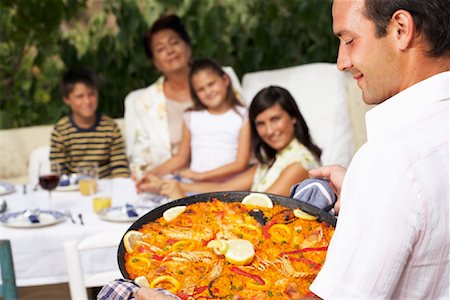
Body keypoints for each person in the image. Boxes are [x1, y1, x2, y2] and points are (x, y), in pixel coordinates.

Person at [308, 0, 449, 298]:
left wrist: (374, 182)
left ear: (401, 29)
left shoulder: (388, 162)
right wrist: (366, 197)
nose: (341, 62)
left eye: (349, 41)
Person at [137, 85, 322, 198]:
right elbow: (224, 188)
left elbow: (259, 205)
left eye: (275, 119)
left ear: (293, 118)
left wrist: (179, 194)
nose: (270, 131)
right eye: (261, 124)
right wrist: (164, 185)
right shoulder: (273, 159)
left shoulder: (300, 163)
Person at [124, 15, 242, 173]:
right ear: (155, 62)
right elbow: (140, 158)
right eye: (160, 49)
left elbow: (245, 123)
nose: (170, 51)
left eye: (174, 42)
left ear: (188, 47)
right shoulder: (144, 102)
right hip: (172, 180)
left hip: (228, 174)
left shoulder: (221, 79)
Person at [147, 58, 250, 183]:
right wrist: (152, 173)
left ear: (225, 80)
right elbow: (181, 158)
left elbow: (241, 164)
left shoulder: (242, 116)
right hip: (194, 185)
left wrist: (201, 176)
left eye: (211, 84)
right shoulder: (191, 116)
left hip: (228, 186)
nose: (208, 92)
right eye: (201, 89)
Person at [50, 68, 130, 178]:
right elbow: (58, 173)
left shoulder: (110, 128)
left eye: (91, 94)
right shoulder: (61, 131)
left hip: (107, 190)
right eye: (80, 96)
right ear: (67, 99)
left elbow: (120, 169)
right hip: (75, 191)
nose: (87, 101)